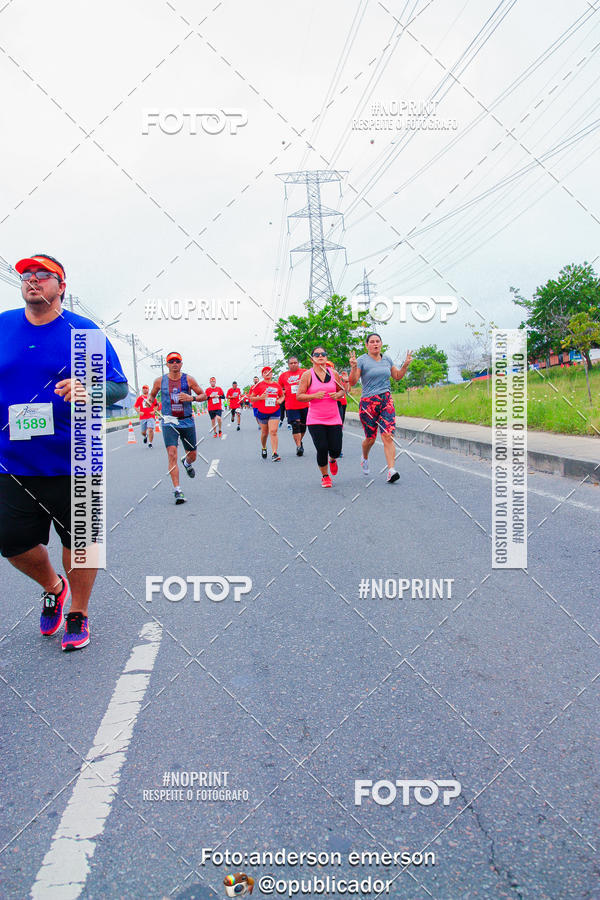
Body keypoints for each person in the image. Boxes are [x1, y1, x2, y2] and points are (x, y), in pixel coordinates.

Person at [0, 253, 128, 651]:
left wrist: (90, 390)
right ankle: (53, 585)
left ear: (61, 286)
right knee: (10, 541)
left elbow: (118, 387)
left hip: (77, 458)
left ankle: (79, 611)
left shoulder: (84, 333)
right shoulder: (3, 326)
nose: (32, 280)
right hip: (13, 463)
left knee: (82, 542)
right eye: (26, 275)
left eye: (42, 275)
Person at [349, 333, 412, 483]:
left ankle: (391, 470)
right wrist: (353, 368)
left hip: (386, 400)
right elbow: (352, 382)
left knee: (387, 436)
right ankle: (364, 458)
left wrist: (405, 365)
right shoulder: (361, 361)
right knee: (370, 439)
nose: (375, 344)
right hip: (368, 404)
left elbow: (397, 376)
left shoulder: (387, 359)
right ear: (367, 345)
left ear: (381, 344)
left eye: (378, 341)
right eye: (372, 342)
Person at [149, 352, 206, 503]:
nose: (174, 363)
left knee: (192, 454)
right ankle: (177, 490)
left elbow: (203, 395)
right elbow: (152, 396)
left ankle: (187, 463)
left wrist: (191, 398)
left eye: (177, 361)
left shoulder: (188, 379)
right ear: (167, 364)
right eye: (171, 361)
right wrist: (149, 402)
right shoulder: (159, 381)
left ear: (181, 364)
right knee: (172, 454)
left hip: (186, 421)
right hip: (169, 421)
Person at [297, 347, 345, 487]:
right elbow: (299, 396)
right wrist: (313, 396)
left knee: (336, 449)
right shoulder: (307, 375)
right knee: (322, 447)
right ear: (312, 359)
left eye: (323, 354)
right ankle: (325, 476)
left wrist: (338, 395)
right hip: (315, 419)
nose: (320, 356)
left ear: (326, 357)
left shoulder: (334, 373)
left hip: (334, 417)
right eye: (316, 355)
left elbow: (342, 390)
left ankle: (332, 459)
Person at [250, 366, 284, 461]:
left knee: (273, 431)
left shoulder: (277, 385)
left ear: (272, 374)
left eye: (269, 372)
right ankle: (264, 447)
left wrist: (280, 401)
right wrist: (260, 398)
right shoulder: (259, 385)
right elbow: (251, 398)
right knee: (264, 433)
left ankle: (274, 453)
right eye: (265, 372)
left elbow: (282, 396)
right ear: (262, 375)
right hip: (262, 411)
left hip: (275, 410)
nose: (267, 374)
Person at [278, 355, 309, 456]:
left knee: (303, 426)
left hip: (305, 404)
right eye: (291, 363)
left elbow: (312, 384)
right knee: (295, 425)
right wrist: (282, 395)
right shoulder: (283, 376)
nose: (293, 364)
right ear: (288, 365)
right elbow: (280, 389)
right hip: (291, 405)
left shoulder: (305, 372)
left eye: (295, 362)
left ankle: (300, 441)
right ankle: (299, 446)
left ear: (298, 363)